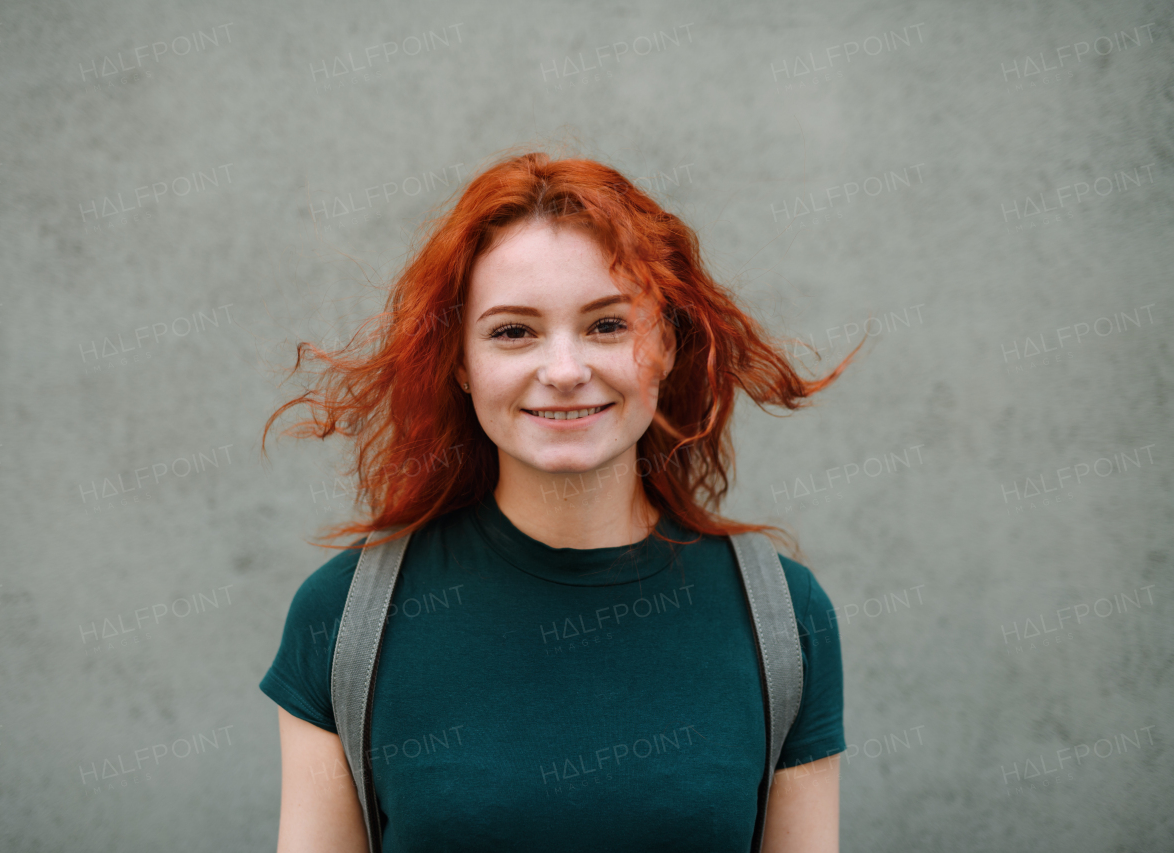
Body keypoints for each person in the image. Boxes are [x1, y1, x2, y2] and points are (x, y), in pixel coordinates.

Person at [259, 150, 860, 852]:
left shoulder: (784, 619)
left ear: (665, 343)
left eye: (609, 325)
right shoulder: (343, 621)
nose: (566, 371)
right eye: (513, 331)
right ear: (460, 361)